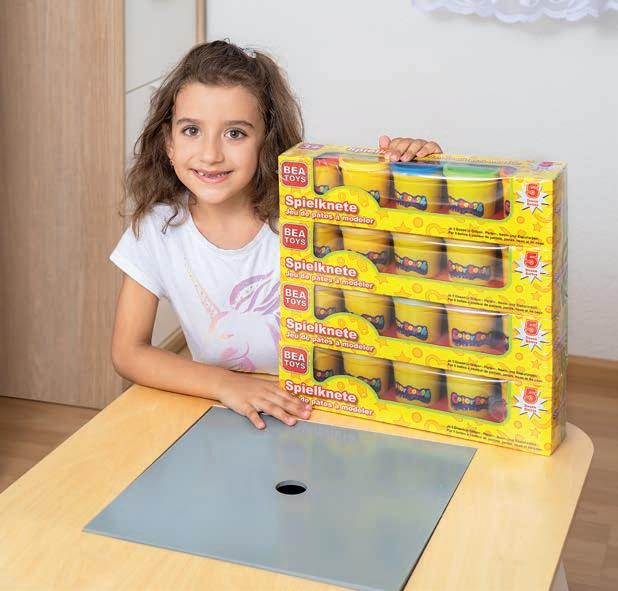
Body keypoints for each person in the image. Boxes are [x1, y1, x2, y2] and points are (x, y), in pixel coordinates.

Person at [110, 40, 443, 430]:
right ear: (169, 143)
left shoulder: (310, 211)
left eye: (235, 133)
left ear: (266, 141)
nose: (211, 154)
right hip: (233, 414)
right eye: (192, 130)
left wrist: (417, 169)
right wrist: (224, 384)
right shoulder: (157, 228)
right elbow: (128, 352)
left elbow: (407, 262)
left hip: (337, 410)